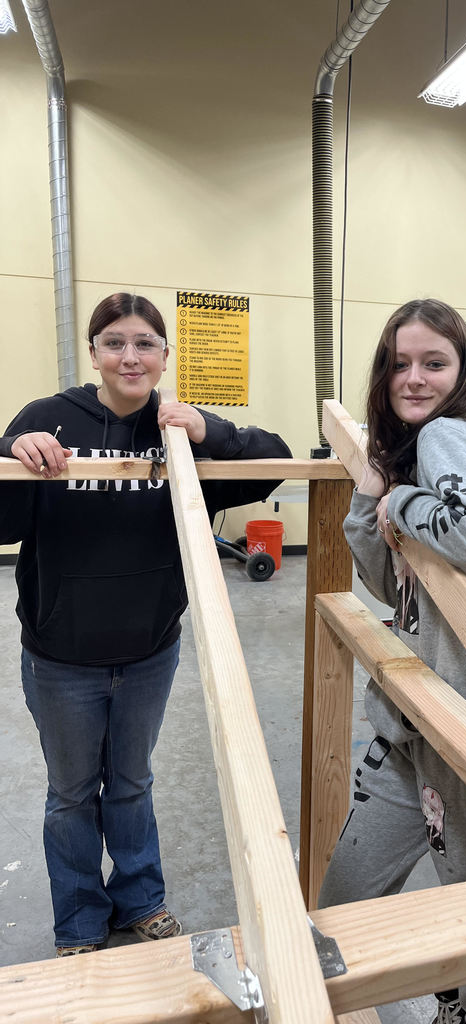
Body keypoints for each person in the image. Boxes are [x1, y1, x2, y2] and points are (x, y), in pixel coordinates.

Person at [0, 293, 291, 956]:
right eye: (114, 342)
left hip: (148, 654)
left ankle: (141, 900)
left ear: (164, 356)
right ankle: (78, 920)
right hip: (61, 658)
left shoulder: (176, 431)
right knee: (72, 794)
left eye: (144, 344)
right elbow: (4, 522)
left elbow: (271, 459)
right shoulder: (49, 419)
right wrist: (13, 450)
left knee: (131, 784)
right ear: (95, 352)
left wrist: (210, 431)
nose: (129, 356)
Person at [318, 298, 466, 1024]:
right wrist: (373, 494)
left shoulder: (450, 433)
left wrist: (405, 500)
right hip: (413, 722)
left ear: (462, 370)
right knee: (345, 904)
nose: (414, 378)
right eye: (400, 364)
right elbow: (391, 585)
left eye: (434, 363)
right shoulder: (419, 447)